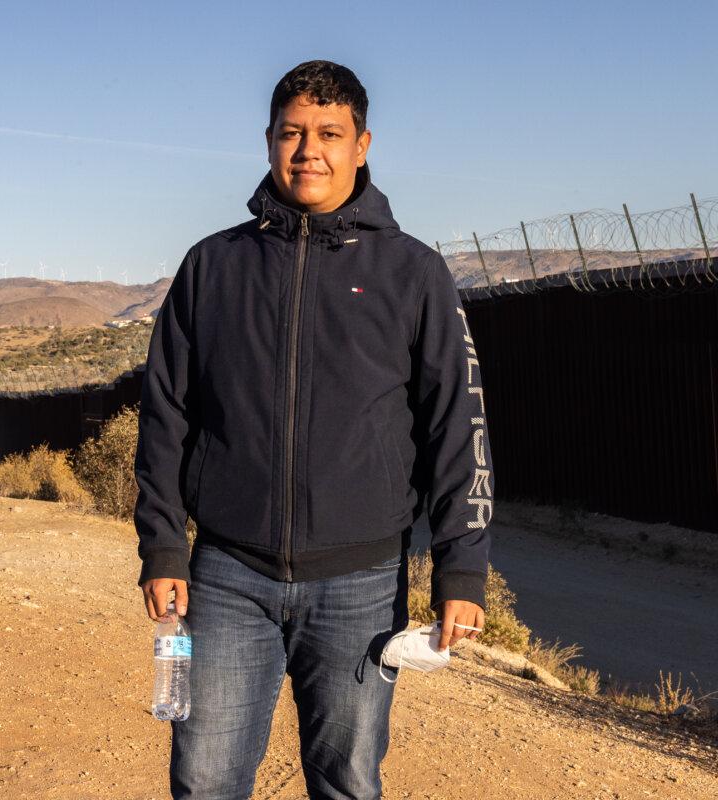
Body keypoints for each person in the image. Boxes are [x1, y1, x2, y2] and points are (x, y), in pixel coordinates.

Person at [133, 59, 494, 799]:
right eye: (293, 133)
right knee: (203, 781)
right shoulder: (212, 267)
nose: (309, 151)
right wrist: (164, 545)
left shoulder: (413, 274)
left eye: (330, 133)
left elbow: (458, 424)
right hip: (228, 575)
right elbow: (166, 411)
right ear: (268, 141)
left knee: (348, 783)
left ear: (362, 144)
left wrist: (461, 568)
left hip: (360, 584)